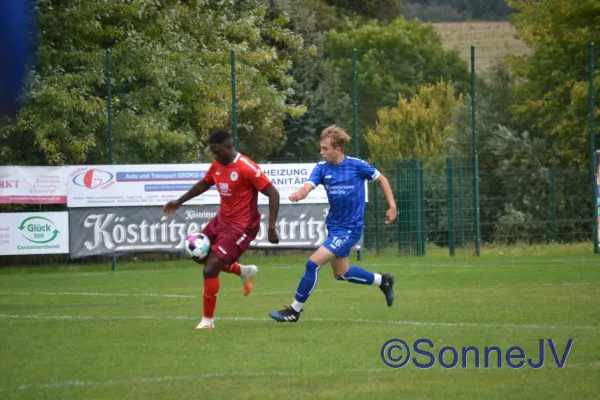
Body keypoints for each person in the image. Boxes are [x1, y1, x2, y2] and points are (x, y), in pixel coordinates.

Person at [269, 125, 397, 323]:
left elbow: (382, 179)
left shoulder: (357, 165)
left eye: (325, 148)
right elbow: (308, 186)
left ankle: (294, 311)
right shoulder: (322, 167)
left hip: (350, 230)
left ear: (337, 149)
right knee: (342, 273)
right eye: (321, 148)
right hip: (335, 228)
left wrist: (392, 207)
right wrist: (299, 194)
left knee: (312, 263)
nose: (321, 152)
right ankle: (384, 280)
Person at [164, 129, 280, 329]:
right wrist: (179, 201)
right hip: (222, 221)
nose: (214, 155)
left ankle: (208, 321)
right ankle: (243, 271)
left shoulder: (247, 168)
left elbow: (273, 193)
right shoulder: (217, 165)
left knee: (210, 268)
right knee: (198, 255)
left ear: (228, 147)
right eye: (212, 152)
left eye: (216, 151)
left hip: (242, 227)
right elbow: (204, 184)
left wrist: (271, 227)